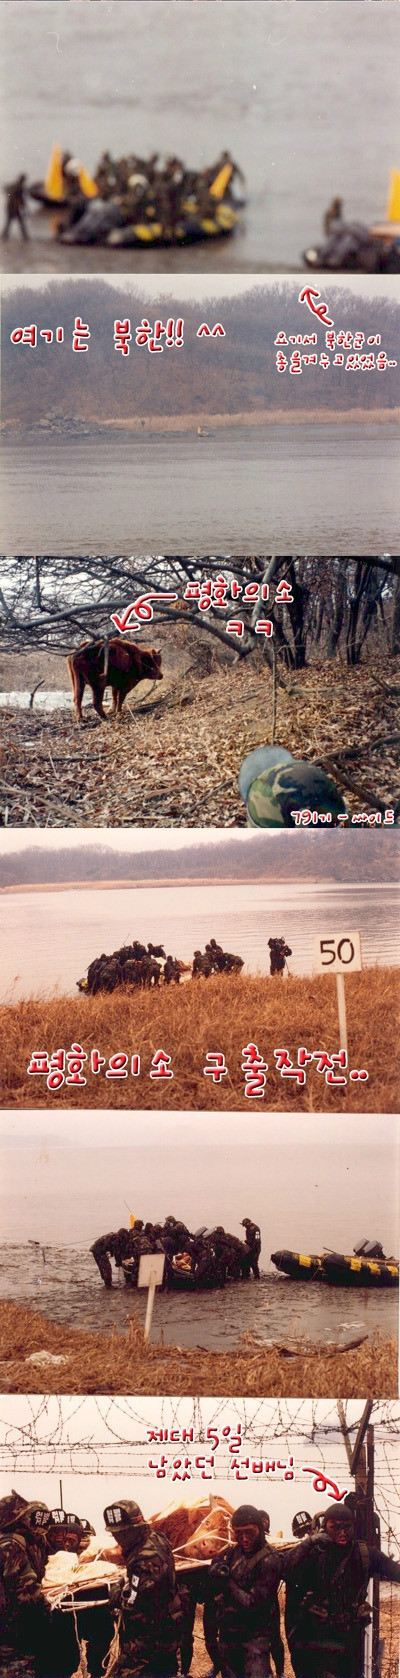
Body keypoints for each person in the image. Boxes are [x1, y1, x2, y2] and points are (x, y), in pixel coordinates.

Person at [283, 1501, 400, 1678]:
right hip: (316, 1638)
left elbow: (395, 1571)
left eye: (347, 1527)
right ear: (325, 1527)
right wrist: (308, 1543)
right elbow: (284, 1569)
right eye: (335, 1527)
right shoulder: (314, 1552)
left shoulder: (364, 1554)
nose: (342, 1532)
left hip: (349, 1640)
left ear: (354, 1527)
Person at [103, 1499, 182, 1678]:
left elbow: (135, 1602)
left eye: (122, 1533)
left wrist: (116, 1595)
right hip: (167, 1629)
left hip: (149, 1637)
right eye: (115, 1534)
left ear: (136, 1527)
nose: (118, 1538)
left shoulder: (145, 1557)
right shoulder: (156, 1536)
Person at [207, 1504, 281, 1678]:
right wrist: (214, 1572)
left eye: (249, 1532)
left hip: (254, 1639)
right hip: (229, 1635)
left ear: (260, 1529)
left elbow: (254, 1605)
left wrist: (226, 1583)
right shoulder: (234, 1552)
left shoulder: (269, 1559)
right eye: (239, 1533)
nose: (245, 1539)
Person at [0, 1494, 51, 1677]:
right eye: (26, 1517)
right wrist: (48, 1612)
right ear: (17, 1519)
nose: (30, 1520)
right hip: (14, 1636)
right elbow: (27, 1592)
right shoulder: (11, 1547)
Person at [2, 175, 29, 240]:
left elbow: (6, 191)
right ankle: (25, 236)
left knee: (10, 222)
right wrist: (25, 208)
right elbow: (21, 199)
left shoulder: (14, 186)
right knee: (19, 222)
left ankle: (4, 235)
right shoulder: (19, 188)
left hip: (11, 207)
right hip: (13, 208)